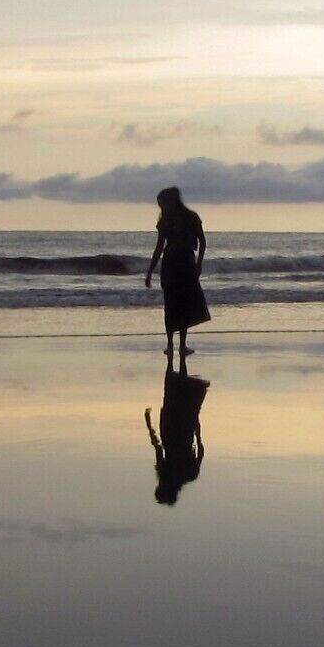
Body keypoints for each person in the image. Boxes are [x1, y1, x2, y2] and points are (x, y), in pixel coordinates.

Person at [143, 185, 210, 359]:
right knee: (181, 305)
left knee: (173, 305)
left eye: (162, 204)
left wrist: (150, 271)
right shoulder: (189, 217)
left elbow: (160, 248)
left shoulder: (178, 219)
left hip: (176, 262)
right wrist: (199, 263)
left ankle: (174, 344)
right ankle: (177, 344)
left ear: (170, 201)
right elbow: (202, 242)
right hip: (183, 262)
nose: (161, 208)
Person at [145, 364, 209, 504]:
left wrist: (197, 430)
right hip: (172, 431)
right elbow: (157, 446)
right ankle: (176, 359)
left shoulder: (189, 475)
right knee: (175, 391)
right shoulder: (186, 474)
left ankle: (176, 359)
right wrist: (149, 425)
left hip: (182, 432)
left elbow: (201, 450)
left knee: (180, 393)